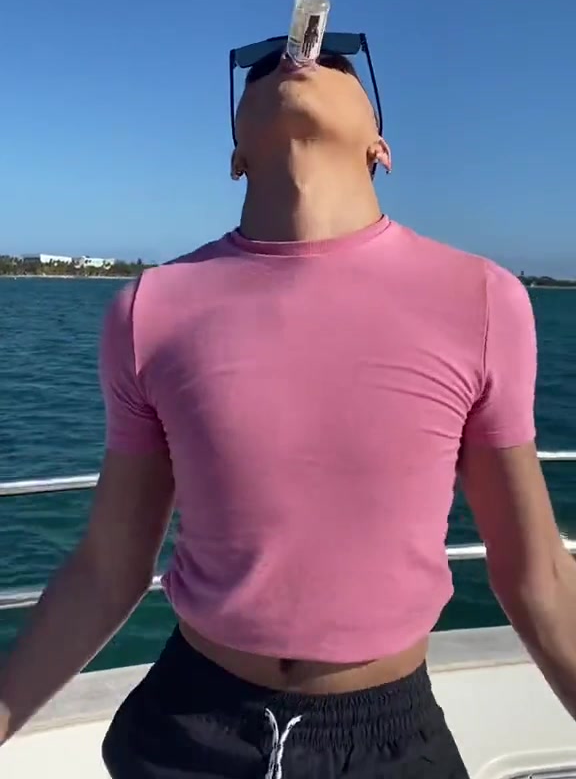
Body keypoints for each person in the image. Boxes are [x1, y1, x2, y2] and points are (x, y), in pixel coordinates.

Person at [1, 44, 575, 779]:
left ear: (381, 146)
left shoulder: (484, 301)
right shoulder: (149, 310)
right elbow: (107, 568)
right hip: (186, 725)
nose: (294, 58)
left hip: (389, 738)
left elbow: (537, 574)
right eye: (261, 65)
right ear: (236, 156)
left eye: (337, 60)